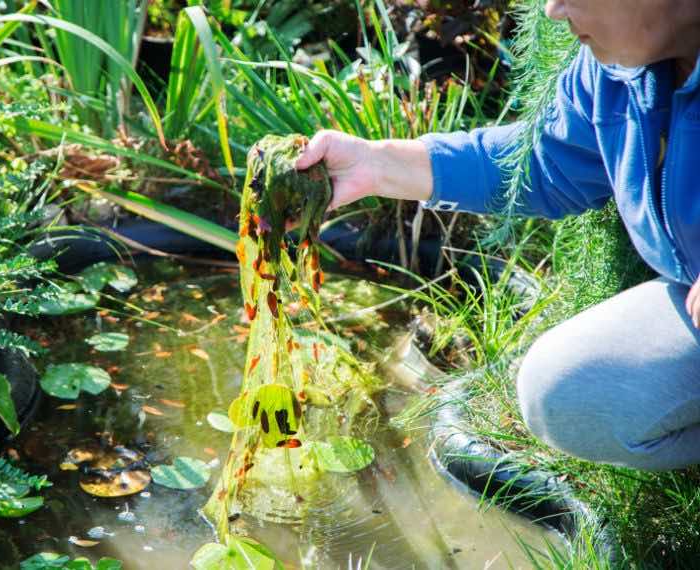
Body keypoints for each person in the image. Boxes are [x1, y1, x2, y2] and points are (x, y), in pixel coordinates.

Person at [295, 0, 700, 471]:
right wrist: (376, 165)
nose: (552, 10)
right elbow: (544, 165)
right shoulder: (620, 74)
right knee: (565, 392)